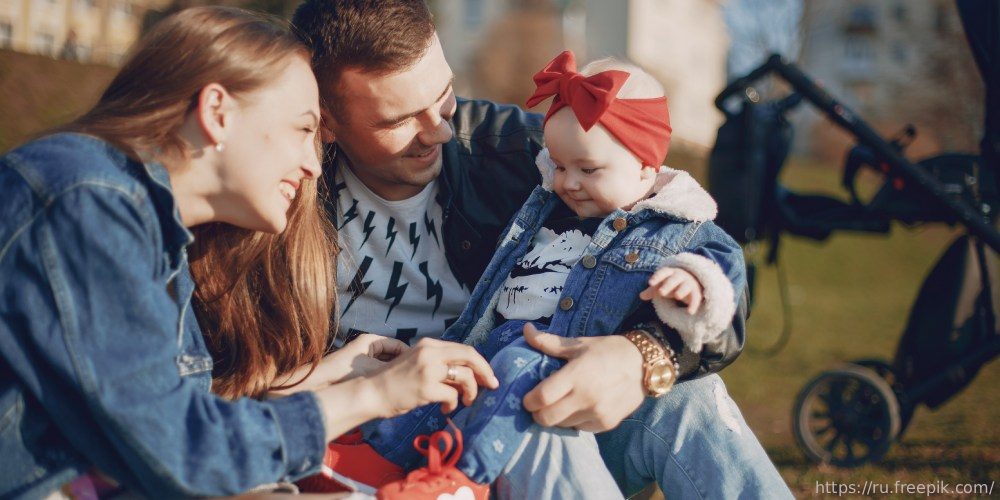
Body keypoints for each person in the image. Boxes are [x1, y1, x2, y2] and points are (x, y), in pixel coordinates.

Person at [291, 0, 793, 498]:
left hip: (533, 410)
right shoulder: (281, 194)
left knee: (687, 400)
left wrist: (642, 354)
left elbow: (705, 267)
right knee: (535, 406)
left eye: (444, 94)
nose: (440, 130)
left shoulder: (538, 155)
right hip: (382, 443)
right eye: (397, 121)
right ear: (326, 123)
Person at [0, 6, 498, 498]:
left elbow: (173, 415)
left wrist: (321, 378)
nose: (314, 166)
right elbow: (183, 451)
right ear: (217, 113)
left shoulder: (156, 235)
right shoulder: (84, 203)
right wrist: (375, 395)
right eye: (304, 129)